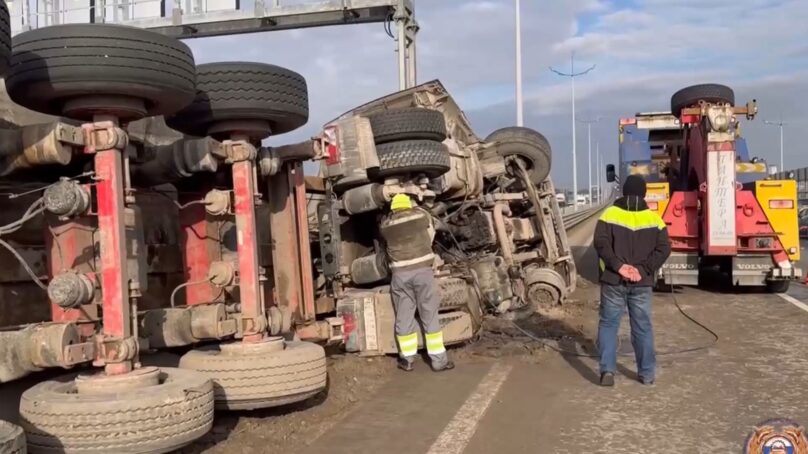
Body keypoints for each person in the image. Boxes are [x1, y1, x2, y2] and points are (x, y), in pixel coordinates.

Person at [593, 175, 671, 386]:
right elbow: (664, 248)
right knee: (642, 327)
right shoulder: (655, 219)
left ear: (623, 192)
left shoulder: (609, 214)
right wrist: (642, 269)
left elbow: (600, 244)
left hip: (613, 280)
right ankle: (646, 374)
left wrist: (619, 266)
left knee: (609, 324)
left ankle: (607, 371)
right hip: (641, 282)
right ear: (644, 193)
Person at [379, 194, 454, 372]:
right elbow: (428, 218)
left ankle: (407, 359)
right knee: (429, 315)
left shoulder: (386, 226)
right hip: (423, 273)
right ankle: (438, 361)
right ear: (409, 206)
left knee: (404, 317)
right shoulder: (419, 216)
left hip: (400, 276)